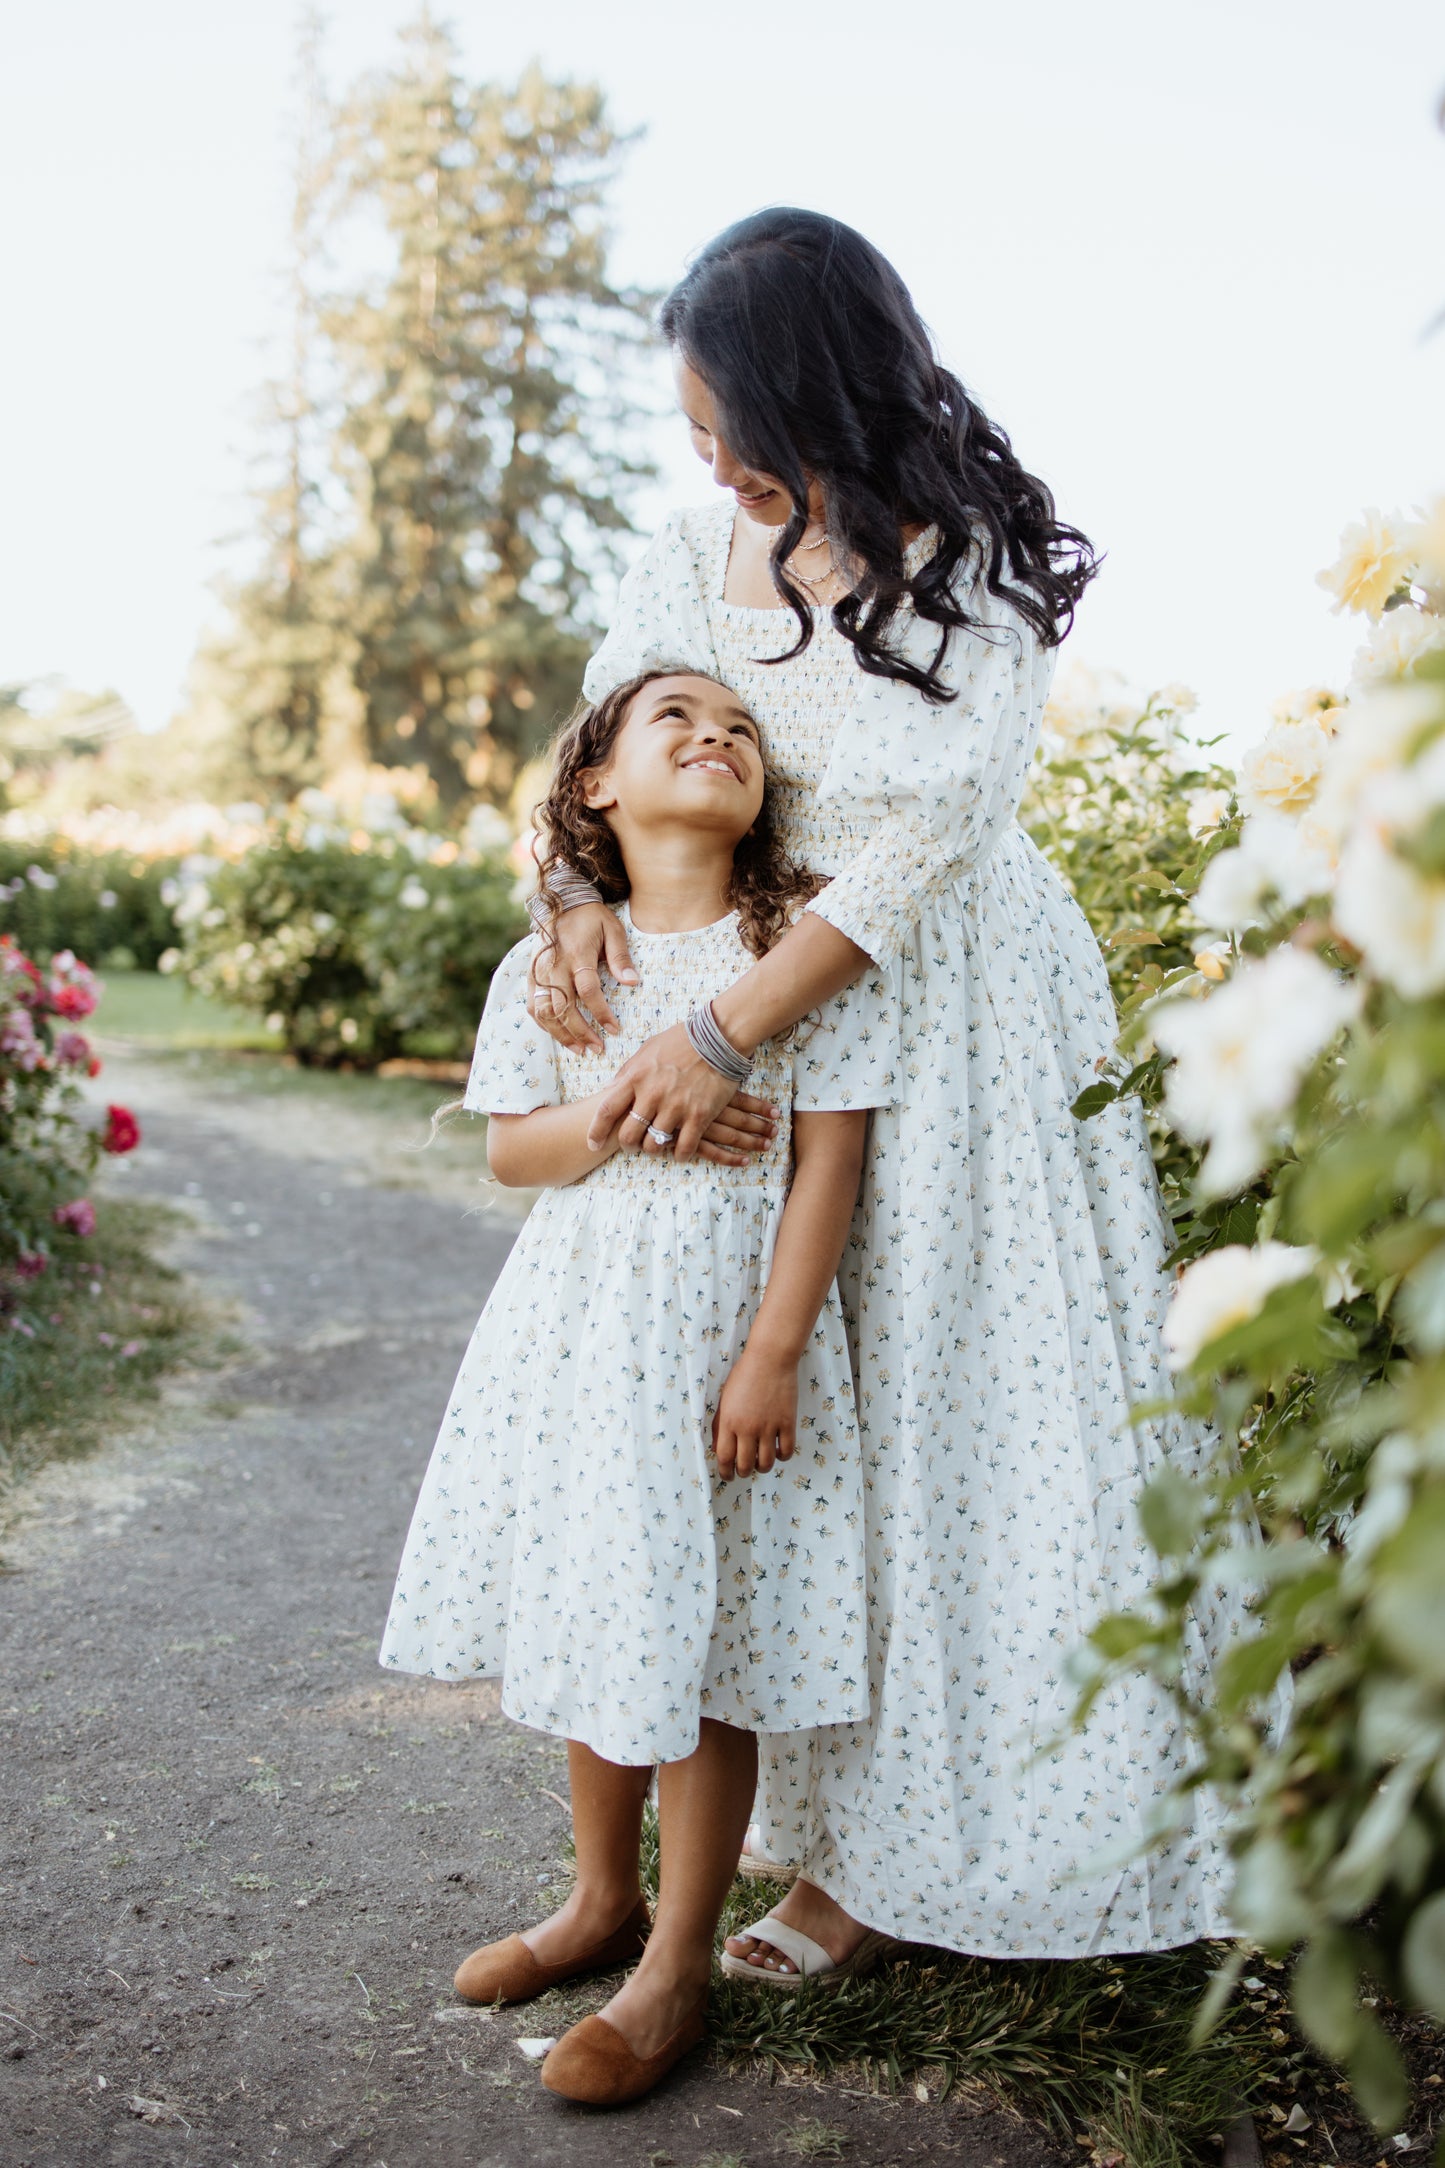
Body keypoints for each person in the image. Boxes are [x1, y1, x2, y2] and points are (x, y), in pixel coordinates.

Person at [529, 208, 1256, 1985]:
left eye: (735, 434)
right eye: (694, 437)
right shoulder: (687, 554)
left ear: (827, 397)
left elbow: (915, 853)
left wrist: (722, 1040)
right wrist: (565, 909)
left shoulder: (982, 570)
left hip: (949, 1012)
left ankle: (909, 1858)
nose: (711, 468)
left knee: (953, 1404)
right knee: (779, 1413)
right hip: (751, 992)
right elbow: (592, 748)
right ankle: (796, 1830)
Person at [380, 668, 896, 2103]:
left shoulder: (793, 948)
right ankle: (595, 1901)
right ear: (596, 784)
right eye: (674, 717)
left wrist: (774, 1352)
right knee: (606, 1600)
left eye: (737, 726)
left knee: (708, 1639)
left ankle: (675, 1960)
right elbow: (512, 1155)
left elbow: (829, 1164)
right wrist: (633, 1110)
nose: (714, 734)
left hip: (727, 1345)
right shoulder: (557, 965)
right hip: (586, 1348)